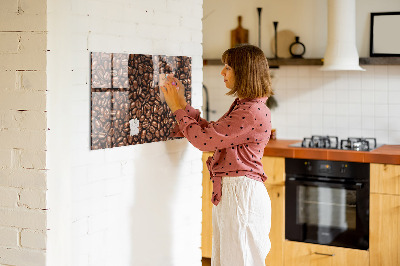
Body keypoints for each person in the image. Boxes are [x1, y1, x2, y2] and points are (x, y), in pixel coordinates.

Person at [161, 44, 273, 266]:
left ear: (244, 72)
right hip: (236, 193)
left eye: (228, 67)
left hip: (241, 195)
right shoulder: (246, 106)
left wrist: (176, 108)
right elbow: (212, 133)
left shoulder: (250, 111)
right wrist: (182, 104)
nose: (222, 72)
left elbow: (204, 141)